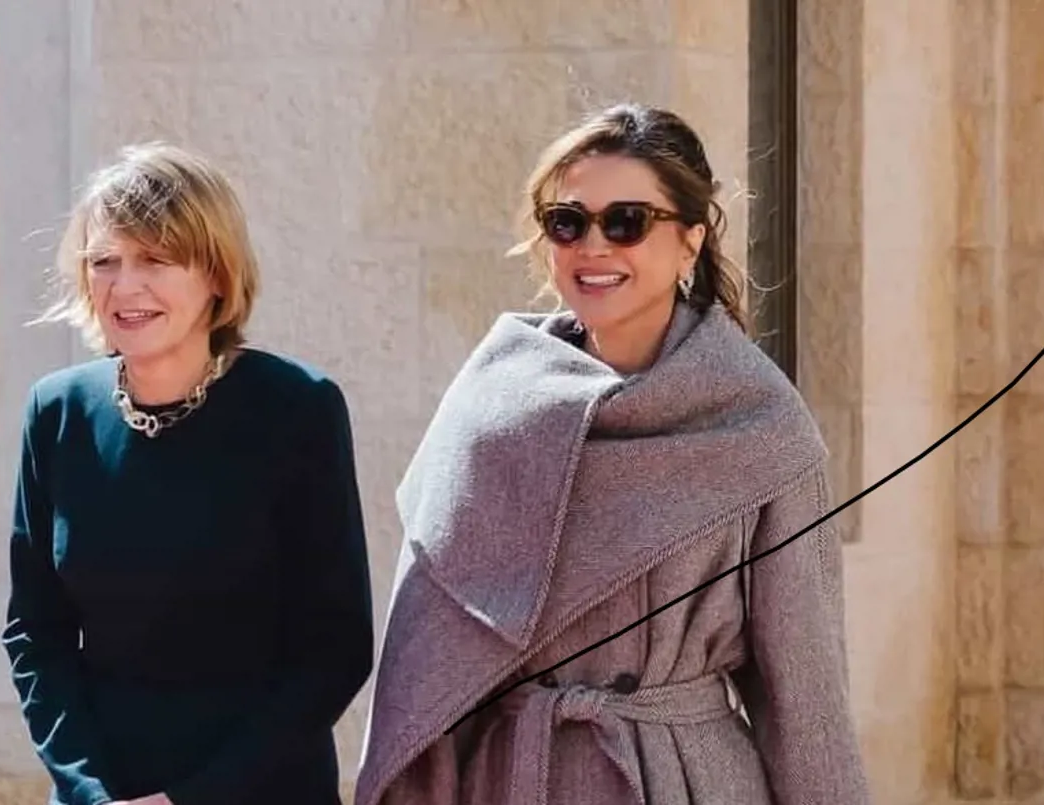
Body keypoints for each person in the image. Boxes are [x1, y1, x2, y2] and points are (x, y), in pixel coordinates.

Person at [354, 104, 869, 805]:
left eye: (627, 221)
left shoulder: (759, 423)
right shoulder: (490, 408)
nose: (593, 246)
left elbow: (805, 693)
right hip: (512, 782)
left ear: (690, 241)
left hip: (682, 781)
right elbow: (427, 668)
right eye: (568, 222)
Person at [2, 142, 375, 805]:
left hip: (259, 790)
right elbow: (36, 633)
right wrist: (89, 791)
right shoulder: (57, 411)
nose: (124, 286)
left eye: (154, 258)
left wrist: (191, 799)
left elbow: (335, 649)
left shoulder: (298, 409)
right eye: (104, 261)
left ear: (218, 275)